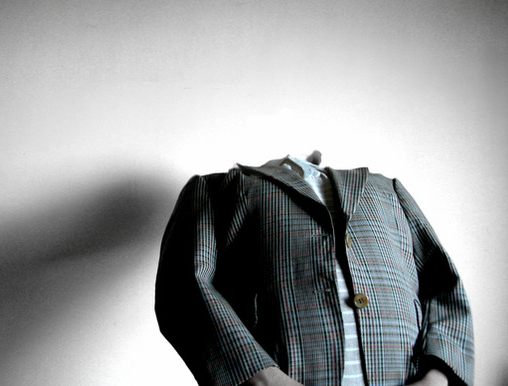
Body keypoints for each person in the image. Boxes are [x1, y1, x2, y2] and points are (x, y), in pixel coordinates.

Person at [155, 152, 474, 385]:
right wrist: (263, 377)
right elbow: (183, 288)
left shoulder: (386, 190)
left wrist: (437, 378)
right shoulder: (219, 189)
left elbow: (443, 286)